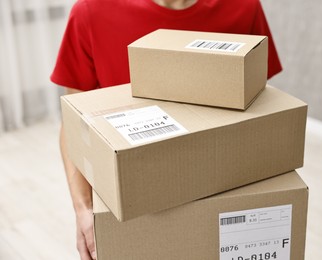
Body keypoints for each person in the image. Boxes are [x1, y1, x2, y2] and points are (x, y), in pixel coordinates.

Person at [51, 0, 282, 259]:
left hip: (222, 190)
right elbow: (74, 124)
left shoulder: (243, 7)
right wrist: (82, 209)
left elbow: (262, 108)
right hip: (131, 202)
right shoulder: (91, 11)